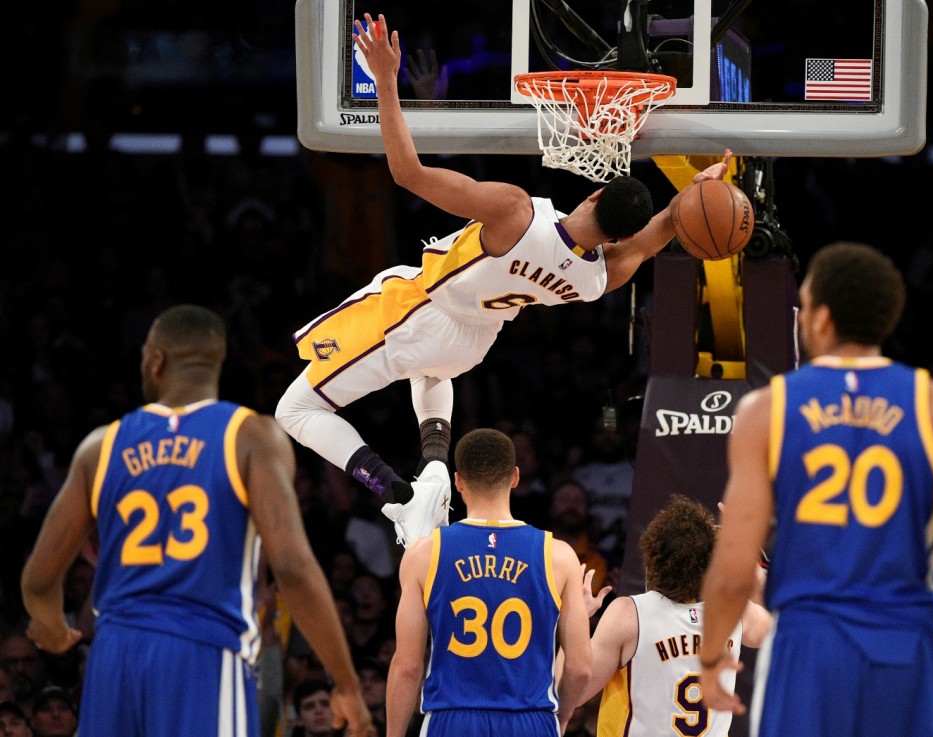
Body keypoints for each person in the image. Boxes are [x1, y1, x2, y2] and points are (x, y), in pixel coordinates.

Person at [274, 11, 733, 549]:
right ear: (613, 237)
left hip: (420, 314)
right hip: (472, 344)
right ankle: (435, 468)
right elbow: (656, 235)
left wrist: (385, 83)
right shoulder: (594, 279)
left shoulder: (517, 212)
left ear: (591, 194)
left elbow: (407, 174)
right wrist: (694, 195)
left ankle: (395, 492)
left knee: (296, 409)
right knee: (428, 375)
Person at [19, 304, 373, 737]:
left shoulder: (101, 446)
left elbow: (38, 580)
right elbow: (293, 567)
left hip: (113, 657)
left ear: (156, 360)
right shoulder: (250, 435)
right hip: (202, 653)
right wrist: (347, 682)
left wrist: (53, 629)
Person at [698, 242, 933, 737]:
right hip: (909, 646)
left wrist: (712, 655)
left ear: (821, 319)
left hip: (807, 649)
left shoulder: (766, 411)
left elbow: (733, 565)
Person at [385, 428, 592, 736]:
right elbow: (581, 668)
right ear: (515, 477)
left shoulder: (424, 554)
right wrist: (558, 718)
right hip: (531, 719)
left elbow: (407, 668)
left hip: (452, 720)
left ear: (457, 482)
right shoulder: (558, 556)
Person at [570, 495, 771, 737]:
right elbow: (774, 628)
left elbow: (573, 692)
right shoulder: (735, 611)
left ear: (653, 556)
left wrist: (575, 618)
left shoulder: (628, 614)